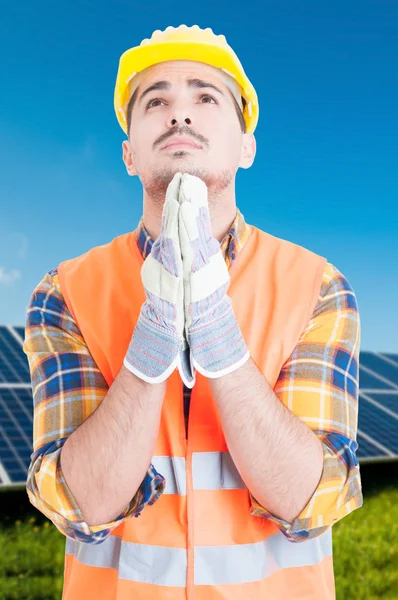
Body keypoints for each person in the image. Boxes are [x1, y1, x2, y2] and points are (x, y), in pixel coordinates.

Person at [23, 24, 363, 600]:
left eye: (206, 97)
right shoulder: (65, 292)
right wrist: (152, 340)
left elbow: (312, 500)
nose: (179, 115)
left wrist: (218, 333)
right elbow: (80, 505)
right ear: (129, 154)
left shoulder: (318, 287)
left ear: (247, 146)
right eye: (156, 101)